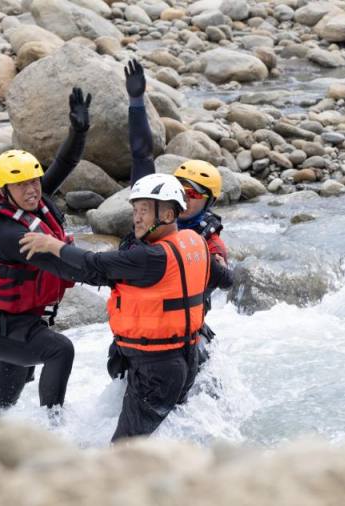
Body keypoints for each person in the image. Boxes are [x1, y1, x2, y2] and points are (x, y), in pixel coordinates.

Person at [19, 173, 210, 441]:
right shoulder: (195, 242)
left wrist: (52, 245)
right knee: (162, 439)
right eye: (134, 210)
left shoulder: (150, 256)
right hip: (182, 356)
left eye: (144, 210)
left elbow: (94, 264)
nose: (137, 218)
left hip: (158, 368)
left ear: (168, 215)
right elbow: (219, 279)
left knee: (123, 451)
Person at [0, 87, 92, 415]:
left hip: (20, 321)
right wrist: (119, 271)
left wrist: (78, 131)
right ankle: (52, 429)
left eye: (34, 181)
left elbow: (65, 163)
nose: (32, 189)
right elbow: (67, 267)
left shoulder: (35, 199)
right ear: (4, 190)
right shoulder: (11, 233)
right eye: (22, 185)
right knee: (60, 351)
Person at [122, 59, 234, 365]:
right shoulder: (153, 212)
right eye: (182, 188)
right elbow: (141, 155)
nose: (186, 196)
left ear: (209, 202)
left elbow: (223, 278)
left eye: (196, 193)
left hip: (181, 333)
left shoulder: (210, 243)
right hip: (139, 326)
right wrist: (136, 102)